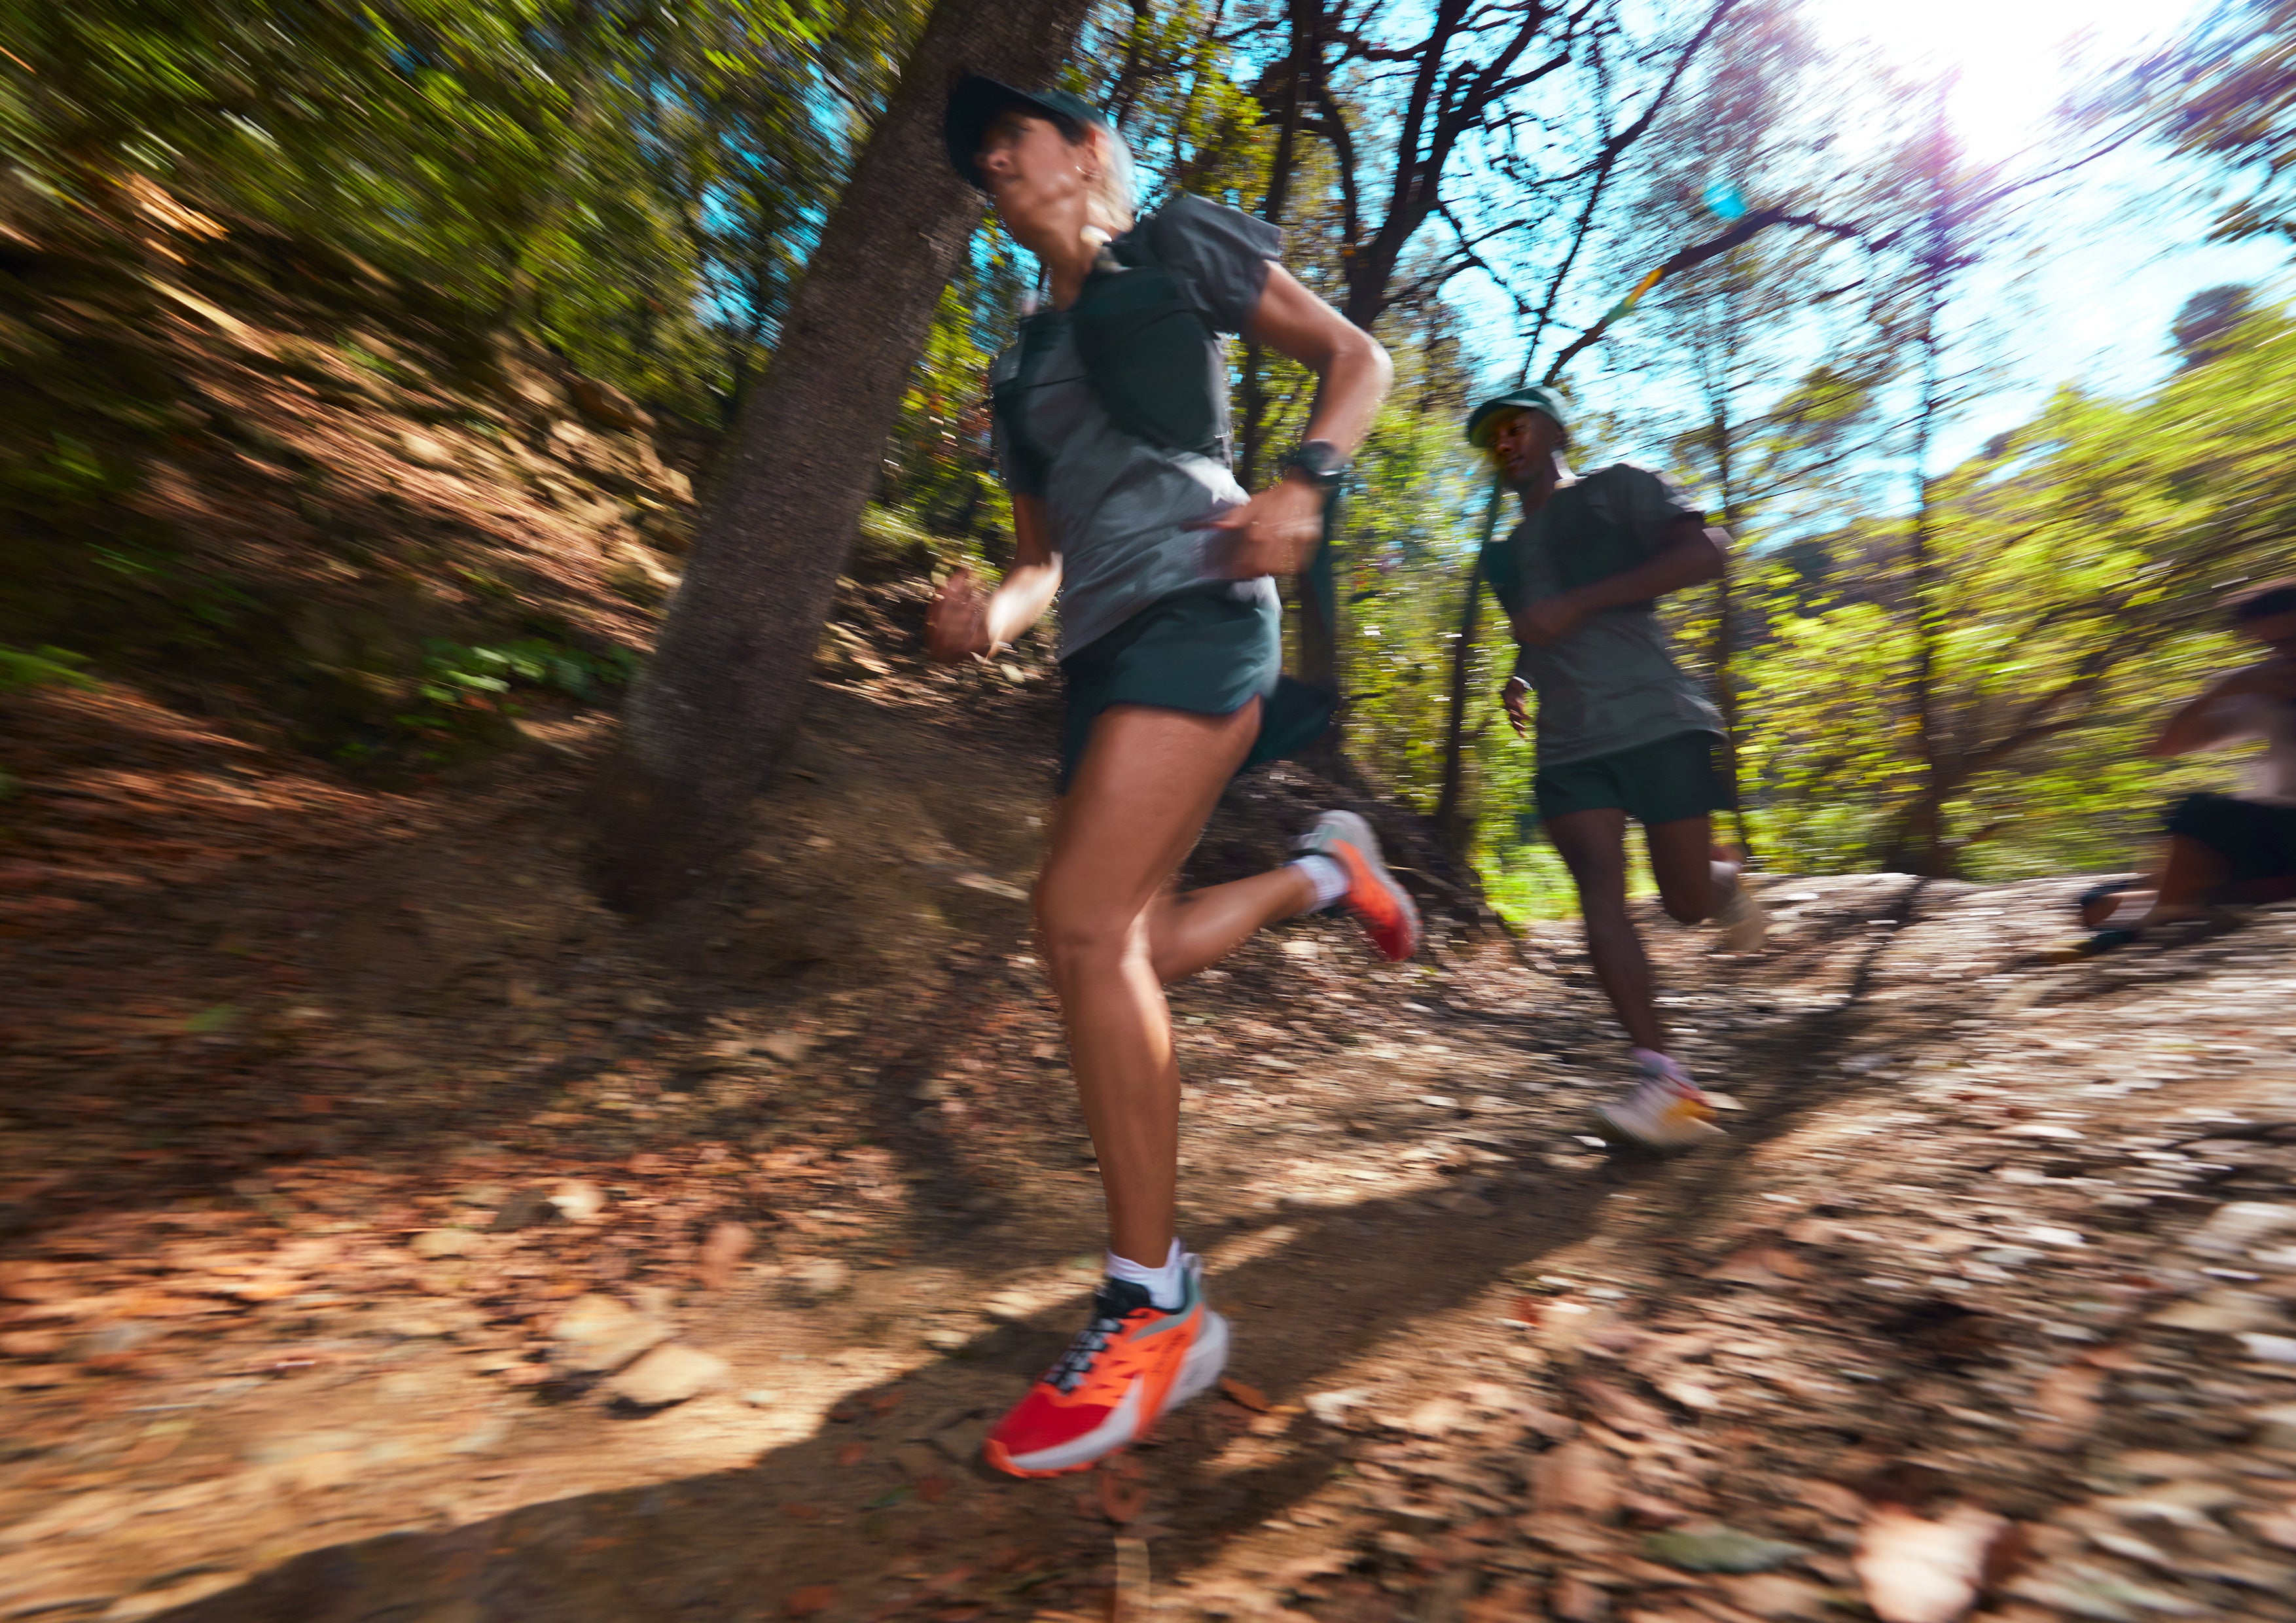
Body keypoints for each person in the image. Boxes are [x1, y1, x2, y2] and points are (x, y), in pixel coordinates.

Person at [924, 76, 1416, 1478]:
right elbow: (1039, 560)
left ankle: (1156, 1306)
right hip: (1096, 650)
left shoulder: (1175, 245)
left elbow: (1356, 361)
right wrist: (987, 621)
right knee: (1131, 943)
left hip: (1200, 605)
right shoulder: (1018, 367)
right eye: (976, 155)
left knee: (1076, 927)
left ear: (1085, 148)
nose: (989, 159)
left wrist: (1305, 483)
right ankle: (1326, 871)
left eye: (1007, 134)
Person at [1469, 386, 1763, 1150]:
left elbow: (1707, 553)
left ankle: (1719, 882)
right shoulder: (1502, 554)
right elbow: (1538, 626)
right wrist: (1522, 672)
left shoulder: (1620, 489)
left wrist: (1581, 601)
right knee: (1598, 886)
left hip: (1657, 718)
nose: (1504, 443)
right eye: (1491, 437)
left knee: (1685, 902)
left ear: (1553, 430)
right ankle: (1665, 1083)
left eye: (1515, 426)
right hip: (1570, 741)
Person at [2067, 578, 2296, 954]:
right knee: (2096, 905)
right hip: (2271, 844)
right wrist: (2223, 692)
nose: (2284, 653)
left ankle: (2170, 908)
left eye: (2292, 641)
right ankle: (2191, 903)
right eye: (2272, 645)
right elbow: (2164, 746)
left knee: (2201, 812)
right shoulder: (2269, 682)